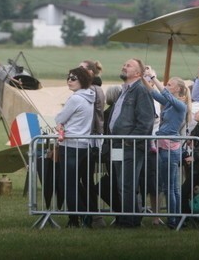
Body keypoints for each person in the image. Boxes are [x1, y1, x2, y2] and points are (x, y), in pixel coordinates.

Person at [108, 58, 155, 228]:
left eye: (128, 65)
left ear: (137, 73)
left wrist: (130, 141)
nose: (124, 66)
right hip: (118, 145)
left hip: (130, 146)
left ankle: (128, 221)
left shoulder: (141, 91)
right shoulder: (125, 91)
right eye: (124, 64)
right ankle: (130, 219)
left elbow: (146, 121)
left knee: (128, 184)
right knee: (122, 183)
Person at [145, 68, 191, 229]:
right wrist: (144, 78)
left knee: (169, 187)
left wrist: (153, 77)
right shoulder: (170, 104)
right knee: (173, 187)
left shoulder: (180, 105)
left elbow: (164, 93)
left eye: (170, 84)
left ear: (178, 89)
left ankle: (173, 220)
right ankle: (177, 218)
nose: (166, 85)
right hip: (166, 148)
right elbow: (155, 93)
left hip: (170, 150)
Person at [54, 67, 95, 228]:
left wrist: (59, 123)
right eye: (68, 78)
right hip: (84, 145)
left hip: (71, 145)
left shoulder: (76, 98)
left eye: (73, 78)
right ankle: (86, 216)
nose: (69, 81)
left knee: (68, 185)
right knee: (77, 184)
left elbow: (60, 117)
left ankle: (78, 219)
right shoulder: (89, 96)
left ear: (82, 81)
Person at [79, 60, 106, 228]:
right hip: (90, 138)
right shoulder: (93, 89)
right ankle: (90, 213)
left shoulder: (92, 90)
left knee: (85, 179)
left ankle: (93, 215)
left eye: (81, 69)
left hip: (90, 139)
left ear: (90, 72)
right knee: (84, 179)